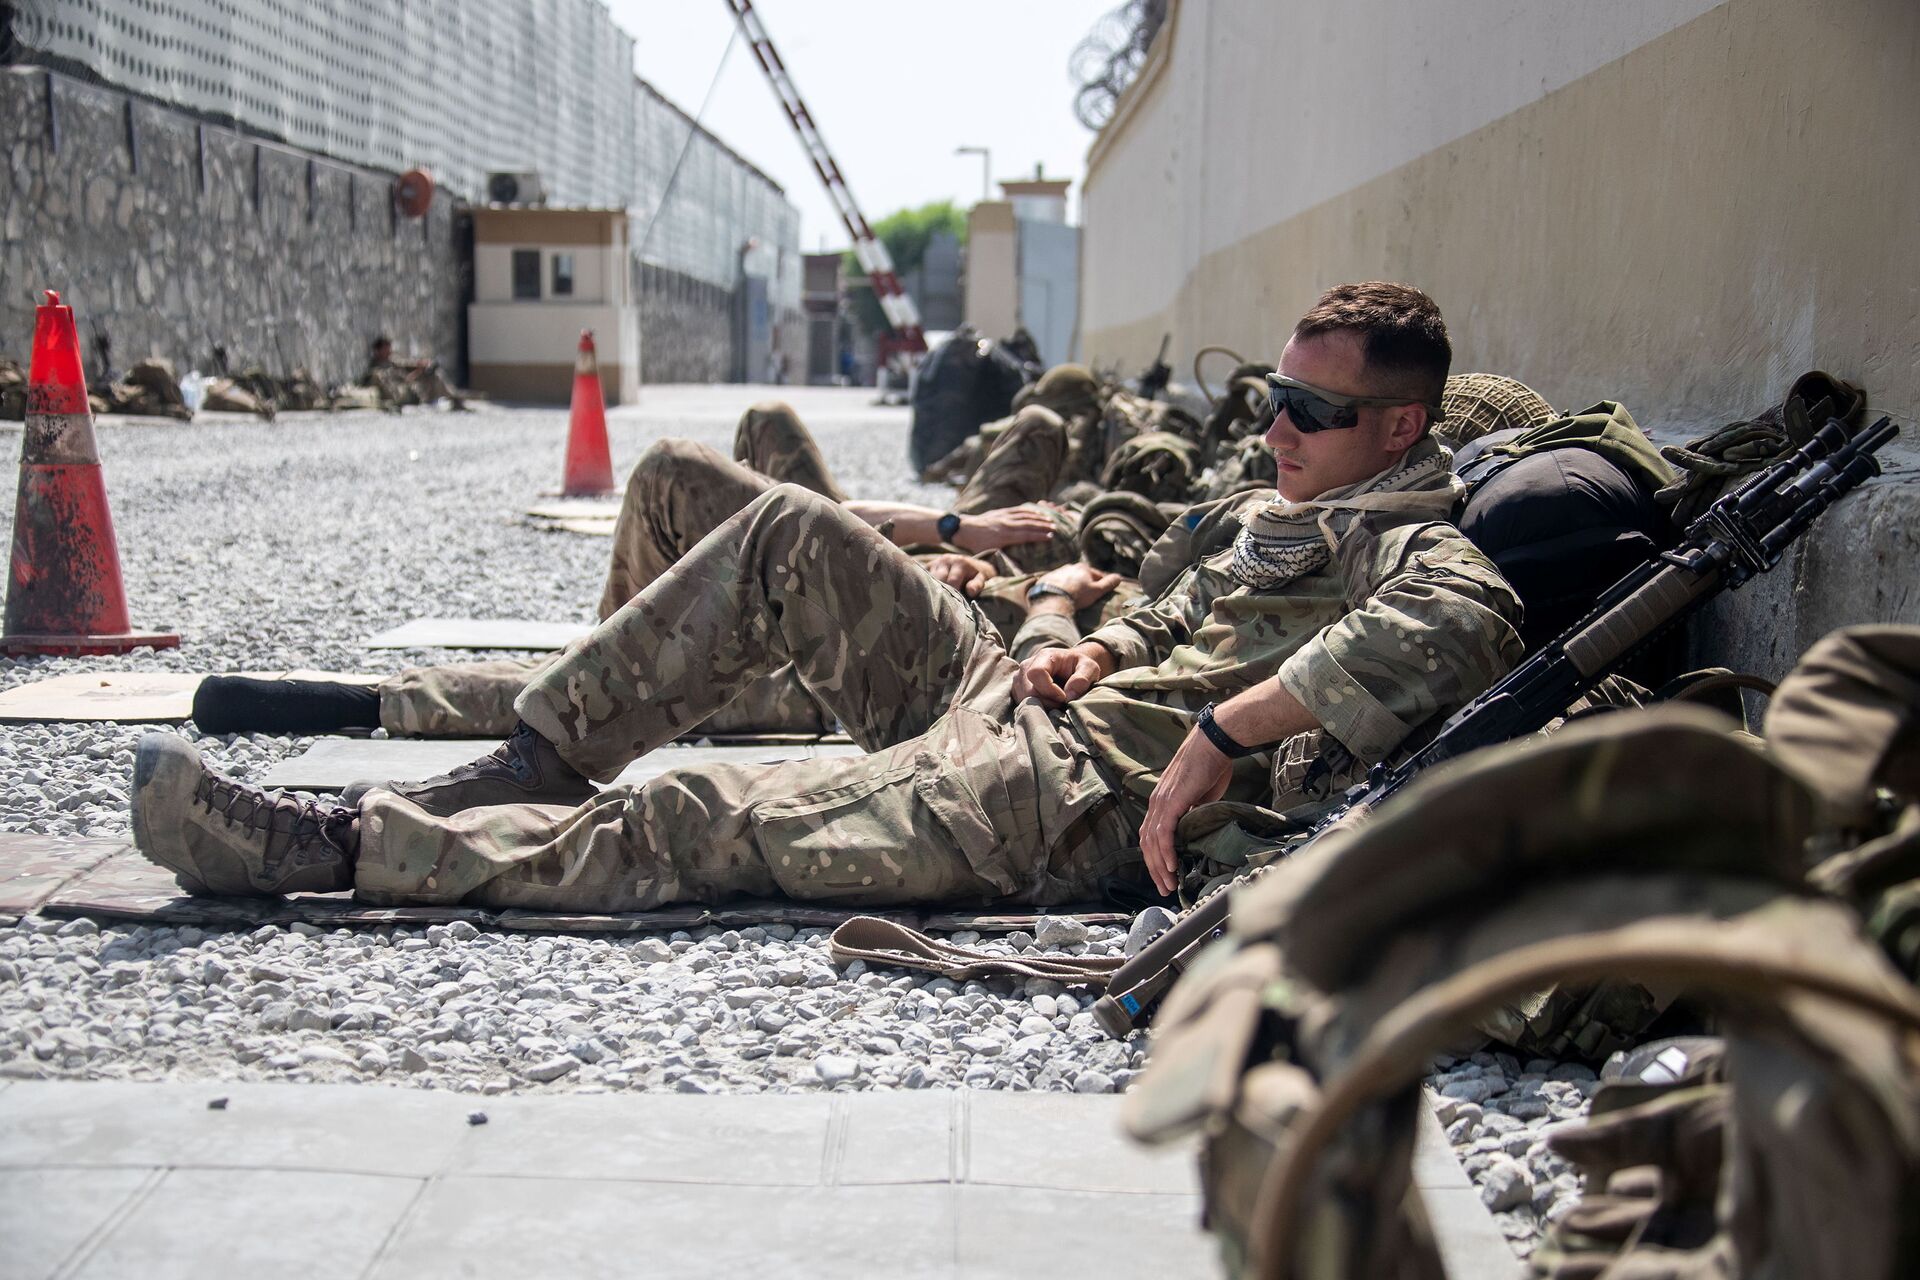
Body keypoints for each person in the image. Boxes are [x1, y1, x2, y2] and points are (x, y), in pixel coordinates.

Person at [128, 282, 1522, 917]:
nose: (1274, 426)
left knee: (699, 823)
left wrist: (1223, 732)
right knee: (785, 528)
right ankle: (534, 758)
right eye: (1273, 396)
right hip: (1029, 706)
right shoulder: (1268, 512)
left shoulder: (1407, 540)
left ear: (1397, 431)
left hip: (1070, 805)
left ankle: (328, 851)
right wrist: (1076, 645)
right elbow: (1149, 605)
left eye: (1309, 409)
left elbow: (1466, 627)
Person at [189, 399, 1089, 739]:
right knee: (759, 432)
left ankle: (378, 701)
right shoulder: (1068, 547)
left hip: (889, 648)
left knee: (673, 479)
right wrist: (959, 534)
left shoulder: (1086, 600)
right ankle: (623, 644)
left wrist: (1042, 596)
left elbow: (1060, 678)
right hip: (917, 587)